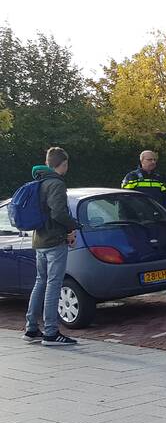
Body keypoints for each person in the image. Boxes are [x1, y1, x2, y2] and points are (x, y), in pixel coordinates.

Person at [23, 147, 79, 346]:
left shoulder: (39, 181)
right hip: (54, 242)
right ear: (63, 164)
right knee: (53, 284)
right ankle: (51, 332)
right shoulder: (55, 183)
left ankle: (31, 329)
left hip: (40, 240)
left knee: (41, 282)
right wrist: (74, 226)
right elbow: (58, 214)